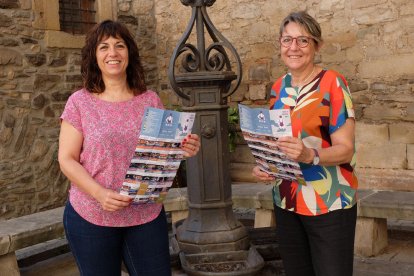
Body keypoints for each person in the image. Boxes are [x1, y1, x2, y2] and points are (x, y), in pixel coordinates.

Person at [58, 20, 200, 276]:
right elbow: (66, 159)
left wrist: (183, 148)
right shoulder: (79, 102)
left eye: (119, 46)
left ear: (129, 53)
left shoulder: (150, 99)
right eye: (104, 47)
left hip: (145, 215)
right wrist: (99, 193)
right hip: (92, 215)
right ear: (94, 56)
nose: (112, 53)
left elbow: (160, 153)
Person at [252, 11, 358, 276]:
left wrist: (310, 154)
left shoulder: (333, 83)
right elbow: (277, 144)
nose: (293, 48)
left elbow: (346, 148)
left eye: (303, 40)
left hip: (329, 202)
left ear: (317, 45)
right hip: (287, 200)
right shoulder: (278, 88)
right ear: (280, 44)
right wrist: (266, 165)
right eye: (287, 40)